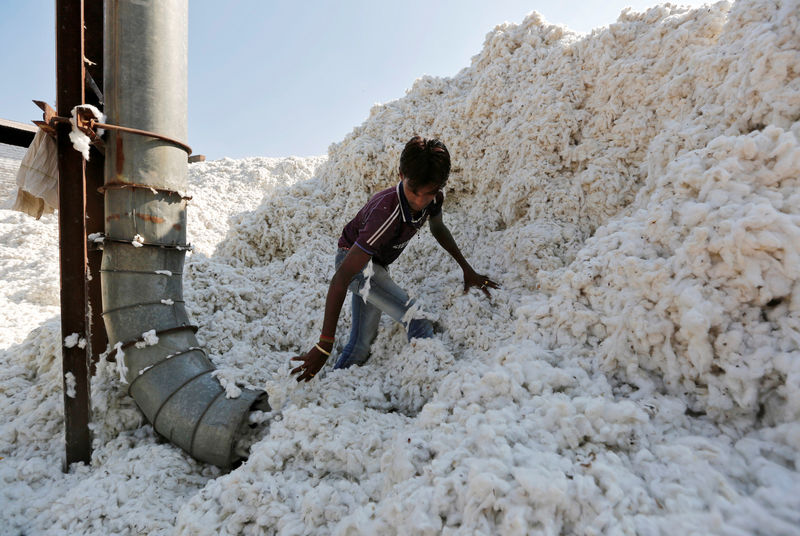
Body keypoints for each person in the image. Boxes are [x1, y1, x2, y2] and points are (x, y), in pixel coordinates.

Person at [290, 136, 499, 382]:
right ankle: (438, 385)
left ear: (439, 187)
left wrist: (467, 270)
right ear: (401, 175)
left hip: (375, 267)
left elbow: (438, 227)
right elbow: (342, 278)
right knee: (417, 319)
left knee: (359, 346)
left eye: (429, 193)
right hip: (356, 267)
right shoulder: (386, 212)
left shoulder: (433, 198)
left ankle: (332, 387)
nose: (420, 201)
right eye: (414, 192)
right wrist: (324, 344)